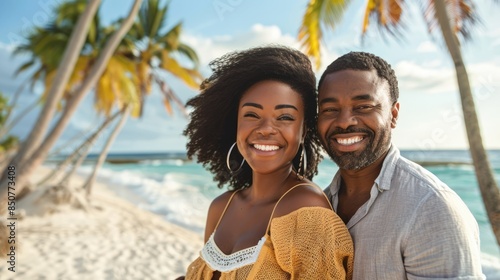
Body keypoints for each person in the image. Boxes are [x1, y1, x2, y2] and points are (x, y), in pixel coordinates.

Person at [179, 46, 354, 279]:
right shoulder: (221, 207)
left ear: (304, 131)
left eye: (285, 117)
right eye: (251, 115)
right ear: (235, 124)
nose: (265, 130)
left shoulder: (306, 209)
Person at [317, 51, 485, 279]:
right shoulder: (319, 205)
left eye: (364, 107)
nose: (345, 121)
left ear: (393, 115)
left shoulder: (430, 208)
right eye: (330, 110)